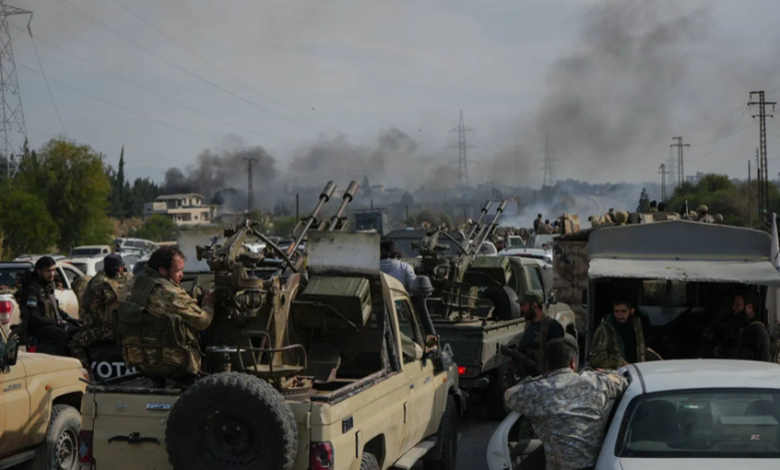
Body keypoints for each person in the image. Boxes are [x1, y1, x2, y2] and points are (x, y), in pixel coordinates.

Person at [505, 336, 629, 470]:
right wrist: (601, 373)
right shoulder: (595, 382)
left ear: (546, 365)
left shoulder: (537, 391)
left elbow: (509, 394)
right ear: (573, 363)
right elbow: (621, 381)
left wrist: (542, 378)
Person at [117, 246, 215, 382]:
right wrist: (208, 304)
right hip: (173, 362)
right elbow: (203, 321)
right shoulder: (170, 293)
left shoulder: (131, 284)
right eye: (178, 271)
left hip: (139, 360)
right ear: (162, 270)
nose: (182, 275)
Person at [69, 254, 134, 367]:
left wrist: (84, 324)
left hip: (110, 331)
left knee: (74, 343)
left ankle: (87, 370)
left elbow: (94, 314)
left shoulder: (103, 287)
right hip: (131, 329)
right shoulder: (132, 281)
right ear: (120, 268)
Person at [16, 256, 81, 356]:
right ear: (39, 271)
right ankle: (61, 361)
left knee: (77, 331)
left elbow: (55, 309)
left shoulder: (48, 286)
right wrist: (55, 322)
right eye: (48, 271)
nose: (51, 274)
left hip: (51, 324)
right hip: (38, 327)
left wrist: (70, 319)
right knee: (63, 336)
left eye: (53, 270)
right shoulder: (31, 290)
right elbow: (34, 317)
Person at [589, 298, 647, 369]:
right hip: (616, 373)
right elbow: (594, 358)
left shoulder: (636, 326)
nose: (619, 315)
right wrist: (620, 362)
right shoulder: (605, 330)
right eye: (616, 311)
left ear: (632, 311)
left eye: (623, 311)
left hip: (636, 372)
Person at [518, 292, 564, 371]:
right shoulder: (529, 324)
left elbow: (558, 356)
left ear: (534, 306)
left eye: (523, 305)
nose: (521, 309)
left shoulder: (553, 326)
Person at [733, 293, 771, 362]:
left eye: (737, 305)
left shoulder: (759, 331)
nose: (734, 308)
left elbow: (764, 361)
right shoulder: (744, 328)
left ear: (749, 307)